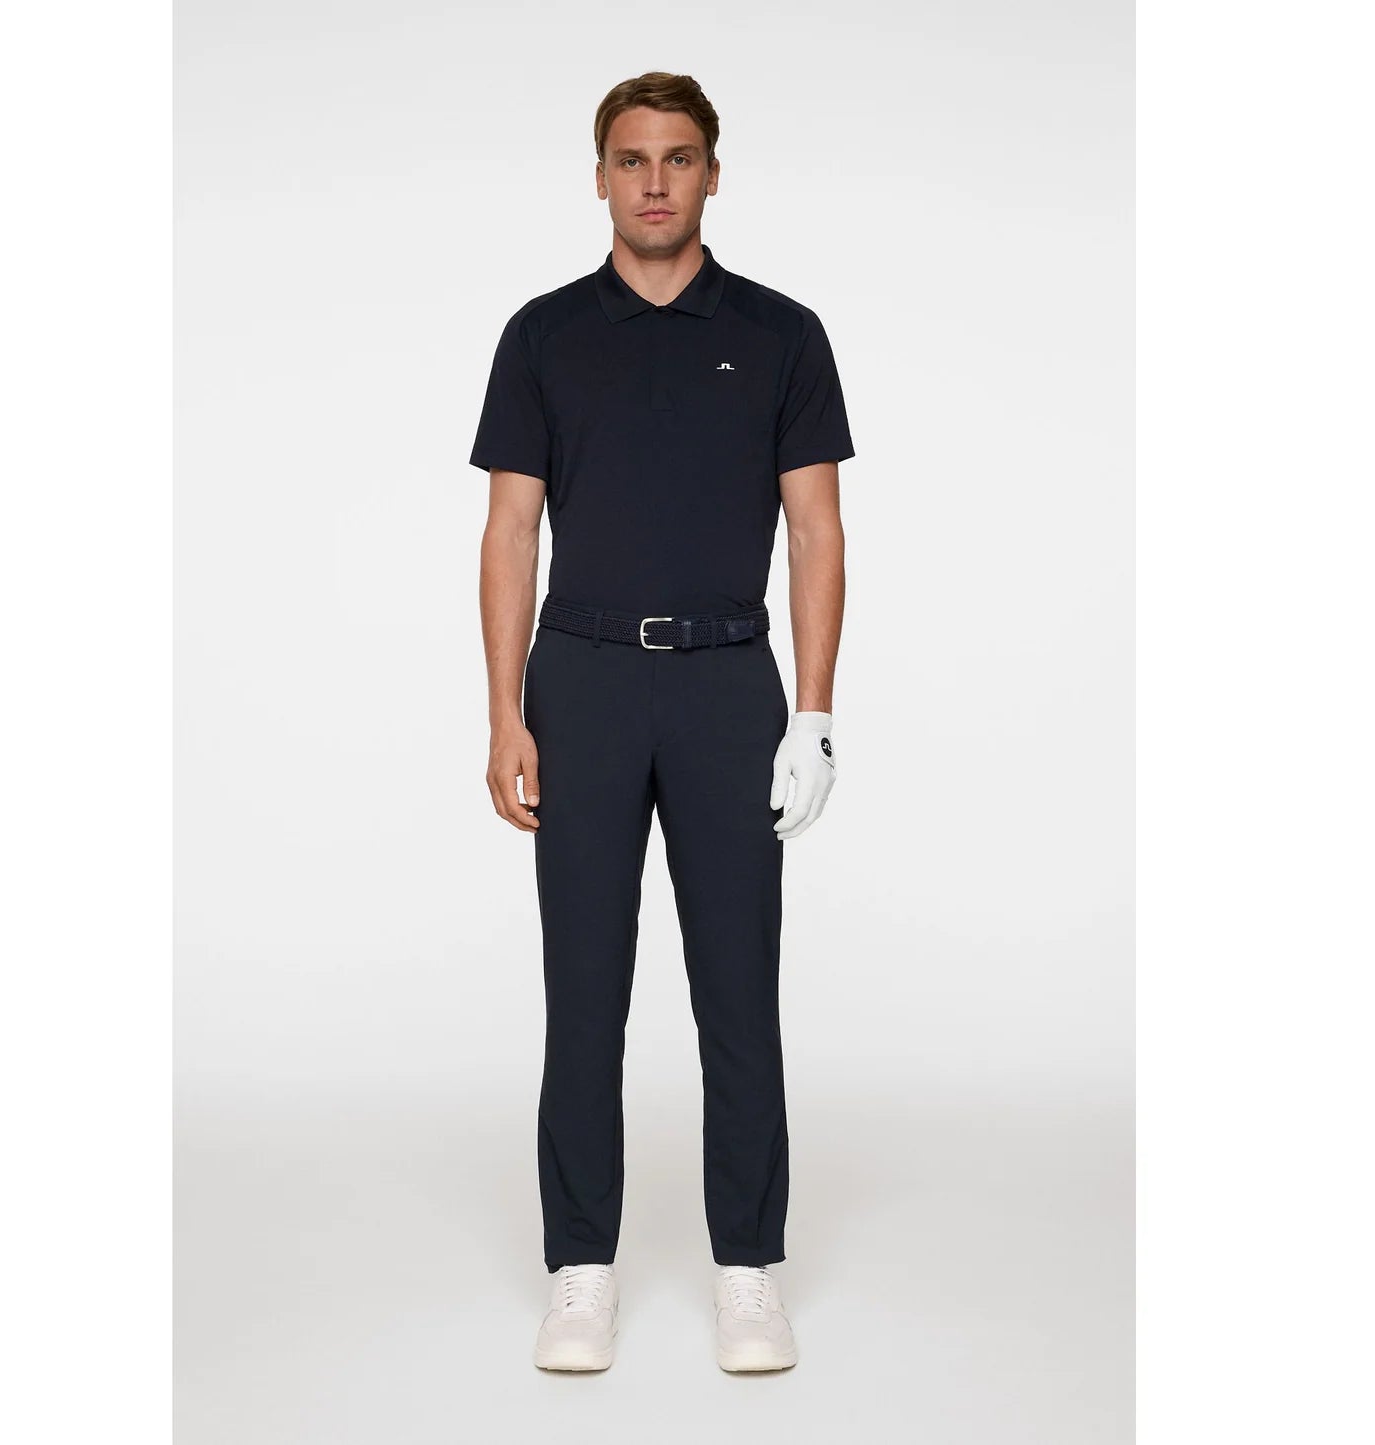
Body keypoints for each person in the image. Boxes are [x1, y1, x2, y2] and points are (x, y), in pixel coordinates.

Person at [470, 71, 853, 1374]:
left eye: (677, 157)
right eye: (630, 158)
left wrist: (812, 712)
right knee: (583, 988)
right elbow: (510, 531)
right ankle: (580, 1268)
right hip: (579, 681)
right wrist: (504, 714)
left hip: (724, 683)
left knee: (738, 988)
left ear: (711, 174)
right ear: (599, 176)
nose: (652, 180)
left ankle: (746, 1267)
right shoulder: (541, 335)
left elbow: (816, 528)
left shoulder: (782, 333)